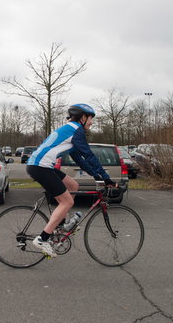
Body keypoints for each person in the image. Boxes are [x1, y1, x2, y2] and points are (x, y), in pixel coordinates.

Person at [26, 104, 117, 257]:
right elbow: (89, 155)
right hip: (40, 167)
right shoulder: (77, 130)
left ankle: (61, 225)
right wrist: (106, 178)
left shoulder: (71, 129)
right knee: (67, 202)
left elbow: (79, 159)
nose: (91, 122)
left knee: (73, 185)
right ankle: (43, 239)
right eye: (90, 119)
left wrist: (96, 175)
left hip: (40, 165)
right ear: (82, 117)